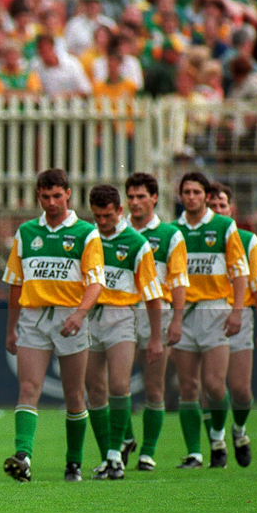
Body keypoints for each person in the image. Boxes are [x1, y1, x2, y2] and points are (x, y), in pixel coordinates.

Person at [2, 168, 104, 483]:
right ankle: (23, 456)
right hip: (34, 318)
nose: (51, 202)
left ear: (68, 194)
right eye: (45, 197)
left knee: (74, 393)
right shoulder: (26, 233)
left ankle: (73, 463)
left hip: (69, 318)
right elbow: (16, 285)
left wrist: (79, 314)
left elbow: (96, 283)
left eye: (56, 196)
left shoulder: (86, 233)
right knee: (28, 388)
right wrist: (11, 327)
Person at [83, 184, 164, 481]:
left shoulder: (137, 243)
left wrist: (156, 337)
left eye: (107, 216)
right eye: (97, 216)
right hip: (90, 318)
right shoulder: (85, 237)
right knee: (94, 390)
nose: (103, 222)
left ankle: (116, 456)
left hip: (121, 317)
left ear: (119, 211)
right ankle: (108, 454)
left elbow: (153, 294)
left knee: (118, 385)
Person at [170, 171, 248, 469]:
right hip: (183, 311)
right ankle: (195, 454)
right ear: (180, 195)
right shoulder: (173, 230)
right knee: (188, 386)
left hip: (215, 309)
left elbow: (239, 272)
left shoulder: (224, 226)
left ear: (205, 196)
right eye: (186, 192)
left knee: (214, 385)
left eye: (196, 192)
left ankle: (216, 436)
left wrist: (237, 310)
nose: (191, 197)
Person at [206, 183, 257, 467]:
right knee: (212, 386)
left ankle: (239, 430)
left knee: (241, 390)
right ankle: (217, 437)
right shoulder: (196, 239)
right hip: (206, 315)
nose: (218, 211)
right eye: (213, 206)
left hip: (238, 316)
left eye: (222, 205)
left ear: (231, 209)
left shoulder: (248, 242)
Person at [123, 172, 187, 471]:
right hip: (120, 311)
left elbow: (177, 281)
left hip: (155, 313)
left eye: (141, 197)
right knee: (111, 384)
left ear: (154, 198)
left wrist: (176, 319)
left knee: (154, 386)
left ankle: (147, 452)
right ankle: (126, 437)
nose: (135, 202)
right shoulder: (116, 230)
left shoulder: (170, 235)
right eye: (131, 197)